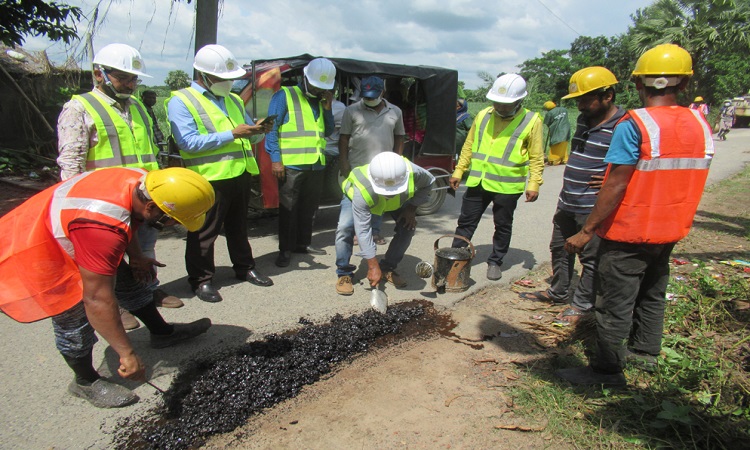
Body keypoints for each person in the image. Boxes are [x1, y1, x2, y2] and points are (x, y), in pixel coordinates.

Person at [556, 44, 714, 386]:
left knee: (614, 302)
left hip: (629, 231)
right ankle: (645, 355)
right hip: (671, 230)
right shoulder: (700, 124)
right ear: (684, 85)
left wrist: (588, 231)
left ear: (639, 84)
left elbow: (614, 185)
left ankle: (605, 372)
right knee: (653, 292)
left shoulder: (635, 124)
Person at [0, 167, 216, 408]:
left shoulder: (147, 182)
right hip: (36, 249)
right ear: (151, 207)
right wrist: (127, 353)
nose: (173, 224)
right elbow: (97, 299)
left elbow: (126, 217)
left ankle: (162, 333)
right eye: (172, 218)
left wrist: (136, 256)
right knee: (72, 313)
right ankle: (85, 381)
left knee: (131, 279)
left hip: (76, 227)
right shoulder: (101, 229)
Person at [56, 43, 183, 333]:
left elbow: (150, 151)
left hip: (143, 197)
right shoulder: (79, 108)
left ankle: (149, 293)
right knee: (109, 259)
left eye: (134, 78)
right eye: (122, 77)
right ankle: (120, 303)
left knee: (146, 248)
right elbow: (71, 163)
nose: (129, 84)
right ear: (99, 74)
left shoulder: (137, 106)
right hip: (103, 202)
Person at [167, 44, 274, 304]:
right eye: (223, 79)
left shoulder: (234, 99)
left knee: (239, 227)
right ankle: (201, 280)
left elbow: (245, 131)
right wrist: (233, 134)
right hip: (208, 178)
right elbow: (188, 143)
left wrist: (258, 130)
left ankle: (245, 267)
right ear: (203, 76)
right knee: (204, 232)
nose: (228, 83)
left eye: (231, 79)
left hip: (239, 173)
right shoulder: (181, 101)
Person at [530, 67, 625, 327]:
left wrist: (609, 179)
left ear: (608, 95)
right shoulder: (584, 120)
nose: (581, 106)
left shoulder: (624, 125)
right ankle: (558, 292)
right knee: (560, 248)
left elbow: (634, 165)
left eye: (586, 99)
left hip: (592, 206)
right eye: (578, 100)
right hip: (568, 199)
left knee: (590, 258)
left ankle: (582, 305)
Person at [449, 74, 544, 281]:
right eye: (497, 102)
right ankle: (455, 258)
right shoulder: (483, 115)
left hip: (508, 186)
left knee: (502, 225)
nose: (500, 107)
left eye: (505, 104)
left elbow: (537, 156)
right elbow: (469, 145)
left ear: (519, 101)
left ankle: (495, 261)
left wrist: (534, 183)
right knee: (466, 222)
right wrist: (459, 170)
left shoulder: (532, 121)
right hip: (478, 181)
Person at [265, 58, 336, 267]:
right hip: (291, 165)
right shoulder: (284, 95)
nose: (317, 89)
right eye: (315, 85)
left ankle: (303, 243)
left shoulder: (322, 101)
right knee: (289, 210)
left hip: (316, 164)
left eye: (322, 87)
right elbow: (272, 129)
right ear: (305, 78)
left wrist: (328, 109)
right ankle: (285, 250)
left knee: (309, 208)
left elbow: (328, 131)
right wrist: (276, 160)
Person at [334, 152, 435, 295]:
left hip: (397, 202)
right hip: (360, 198)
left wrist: (411, 209)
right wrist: (372, 265)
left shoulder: (414, 172)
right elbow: (363, 230)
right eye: (386, 192)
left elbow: (429, 182)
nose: (390, 194)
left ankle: (387, 268)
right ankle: (344, 272)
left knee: (407, 228)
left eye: (393, 190)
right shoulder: (362, 189)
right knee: (345, 228)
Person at [339, 75, 406, 246]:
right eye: (366, 96)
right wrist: (344, 162)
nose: (369, 99)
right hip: (357, 167)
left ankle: (374, 232)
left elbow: (399, 138)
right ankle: (356, 233)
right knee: (354, 202)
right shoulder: (351, 110)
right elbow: (344, 138)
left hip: (384, 169)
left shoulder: (395, 112)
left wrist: (397, 161)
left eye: (372, 96)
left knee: (379, 201)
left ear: (382, 91)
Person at [542, 100, 571, 165]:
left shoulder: (549, 113)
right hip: (566, 128)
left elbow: (547, 123)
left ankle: (554, 160)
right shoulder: (563, 109)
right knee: (564, 142)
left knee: (555, 143)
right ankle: (564, 159)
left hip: (556, 130)